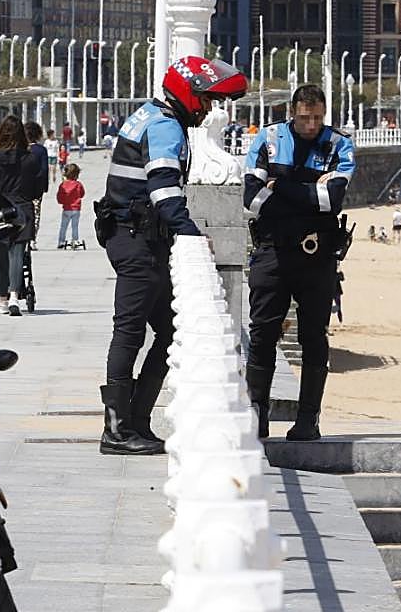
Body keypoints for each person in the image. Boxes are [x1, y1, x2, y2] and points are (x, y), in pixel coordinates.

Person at [96, 54, 246, 455]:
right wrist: (192, 233)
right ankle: (117, 430)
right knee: (130, 330)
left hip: (134, 236)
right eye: (207, 100)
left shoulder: (148, 114)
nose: (210, 108)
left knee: (169, 330)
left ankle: (135, 421)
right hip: (137, 240)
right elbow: (163, 190)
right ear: (188, 94)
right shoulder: (165, 126)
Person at [243, 82, 356, 441]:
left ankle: (308, 420)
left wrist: (280, 187)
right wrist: (309, 193)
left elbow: (331, 200)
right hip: (272, 251)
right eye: (305, 118)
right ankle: (257, 415)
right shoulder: (269, 139)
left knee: (314, 339)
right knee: (262, 335)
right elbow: (251, 199)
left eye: (318, 118)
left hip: (316, 254)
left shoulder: (339, 144)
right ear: (293, 113)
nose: (312, 125)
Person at [0, 115, 41, 317]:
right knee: (18, 254)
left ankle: (2, 298)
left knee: (1, 255)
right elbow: (37, 186)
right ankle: (14, 296)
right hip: (22, 208)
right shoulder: (30, 158)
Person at [25, 121, 49, 249]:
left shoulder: (22, 149)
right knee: (36, 212)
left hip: (21, 187)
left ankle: (24, 237)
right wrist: (44, 186)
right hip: (36, 187)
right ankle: (32, 239)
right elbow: (44, 169)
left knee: (23, 212)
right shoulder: (41, 150)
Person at [55, 163, 85, 249]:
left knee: (63, 226)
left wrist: (62, 201)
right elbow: (82, 194)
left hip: (66, 208)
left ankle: (61, 241)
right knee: (75, 226)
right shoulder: (78, 184)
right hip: (76, 208)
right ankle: (75, 240)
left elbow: (59, 197)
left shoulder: (63, 185)